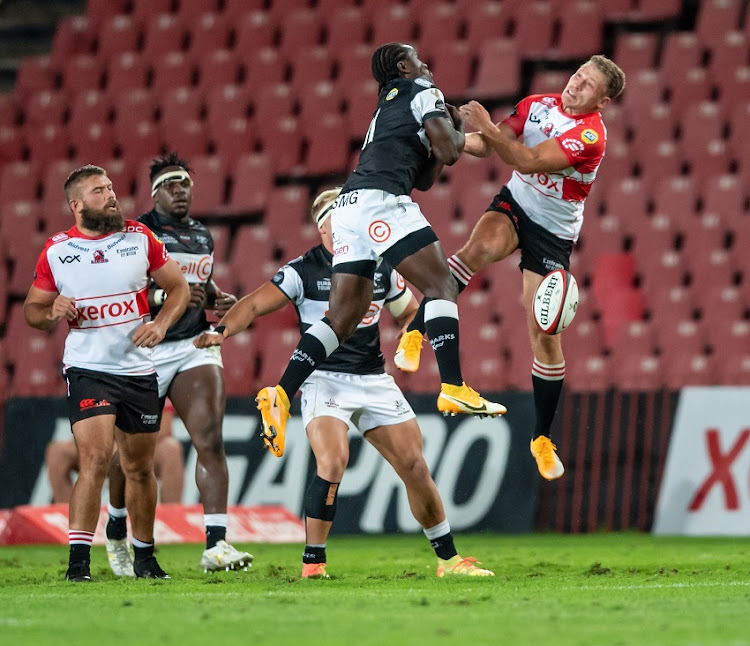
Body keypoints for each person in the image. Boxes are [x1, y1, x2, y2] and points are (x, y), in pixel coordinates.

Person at [196, 187, 494, 578]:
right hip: (323, 379)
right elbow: (252, 304)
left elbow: (409, 313)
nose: (341, 231)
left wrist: (413, 334)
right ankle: (313, 564)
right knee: (333, 461)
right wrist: (221, 330)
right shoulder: (304, 270)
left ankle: (449, 560)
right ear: (322, 230)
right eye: (332, 225)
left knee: (415, 466)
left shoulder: (382, 268)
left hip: (373, 378)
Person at [255, 43, 506, 459]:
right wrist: (460, 123)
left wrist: (446, 135)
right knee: (443, 284)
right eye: (418, 58)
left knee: (343, 318)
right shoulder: (423, 89)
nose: (426, 63)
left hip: (348, 206)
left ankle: (280, 393)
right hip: (381, 201)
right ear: (404, 67)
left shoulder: (388, 106)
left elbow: (426, 175)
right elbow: (450, 149)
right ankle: (454, 386)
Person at [395, 55, 626, 481]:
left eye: (587, 84)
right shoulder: (537, 104)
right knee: (474, 252)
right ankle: (413, 333)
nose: (575, 85)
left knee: (544, 333)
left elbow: (528, 159)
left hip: (553, 230)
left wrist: (482, 120)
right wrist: (455, 137)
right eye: (577, 75)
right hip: (515, 203)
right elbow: (490, 143)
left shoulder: (590, 135)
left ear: (603, 100)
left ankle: (540, 438)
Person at [24, 164, 190, 581]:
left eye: (111, 187)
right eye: (100, 191)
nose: (111, 195)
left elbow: (179, 288)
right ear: (77, 204)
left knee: (138, 468)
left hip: (137, 370)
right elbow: (32, 312)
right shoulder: (57, 250)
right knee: (95, 458)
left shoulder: (140, 238)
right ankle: (78, 563)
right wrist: (51, 311)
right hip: (88, 368)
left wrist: (161, 324)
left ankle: (145, 557)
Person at [102, 152, 252, 576]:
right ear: (155, 193)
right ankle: (115, 526)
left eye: (185, 182)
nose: (180, 189)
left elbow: (197, 283)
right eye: (171, 184)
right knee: (130, 455)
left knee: (210, 438)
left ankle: (216, 544)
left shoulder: (203, 235)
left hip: (192, 344)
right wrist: (162, 298)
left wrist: (215, 296)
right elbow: (118, 289)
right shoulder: (138, 232)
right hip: (145, 347)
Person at [45, 400, 184, 505]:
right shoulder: (95, 375)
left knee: (171, 449)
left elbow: (164, 430)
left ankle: (171, 518)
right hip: (101, 447)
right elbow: (83, 428)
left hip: (139, 448)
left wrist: (124, 444)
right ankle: (68, 522)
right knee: (57, 451)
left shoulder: (151, 376)